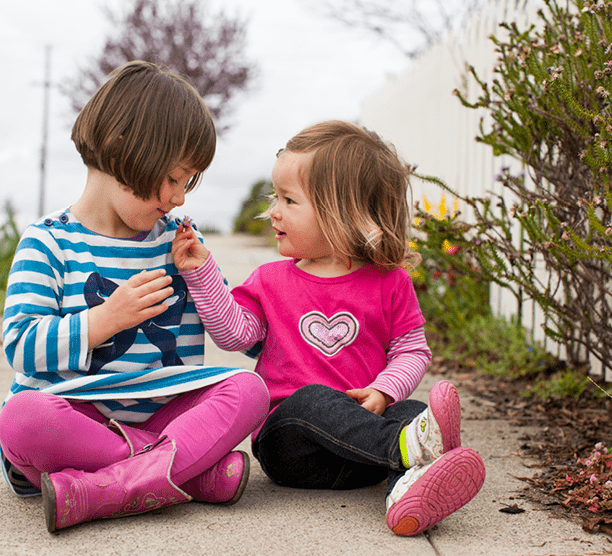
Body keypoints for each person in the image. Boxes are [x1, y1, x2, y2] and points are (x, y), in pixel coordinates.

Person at [172, 120, 486, 536]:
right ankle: (408, 449)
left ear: (343, 213)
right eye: (274, 196)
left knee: (412, 410)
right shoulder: (271, 280)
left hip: (363, 453)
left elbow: (412, 351)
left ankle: (406, 495)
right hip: (293, 447)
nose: (273, 211)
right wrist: (201, 273)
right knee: (312, 400)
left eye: (289, 200)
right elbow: (234, 335)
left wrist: (385, 391)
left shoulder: (389, 282)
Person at [0, 60, 270, 533]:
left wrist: (201, 274)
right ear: (125, 149)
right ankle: (184, 473)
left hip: (166, 416)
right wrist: (104, 320)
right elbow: (21, 344)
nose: (180, 198)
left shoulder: (179, 242)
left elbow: (241, 338)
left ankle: (103, 488)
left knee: (249, 389)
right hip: (80, 421)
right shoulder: (48, 242)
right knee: (21, 420)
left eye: (188, 183)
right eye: (174, 179)